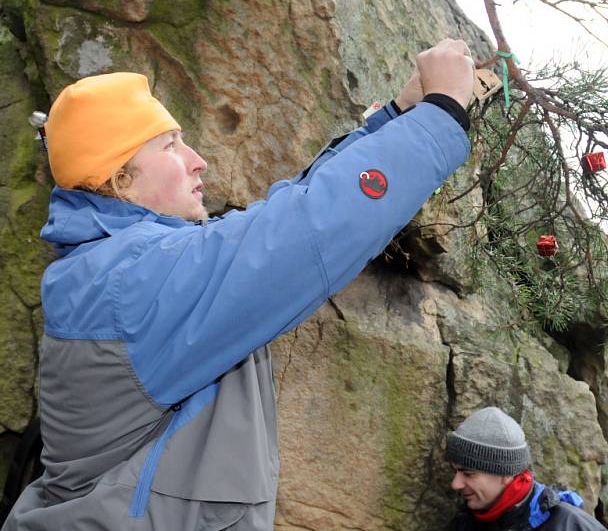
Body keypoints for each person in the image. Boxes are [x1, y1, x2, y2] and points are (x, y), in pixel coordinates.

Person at [2, 38, 474, 530]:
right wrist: (438, 116)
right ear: (119, 177)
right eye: (170, 145)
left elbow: (283, 215)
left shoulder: (115, 270)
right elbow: (303, 231)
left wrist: (398, 116)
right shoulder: (130, 281)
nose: (197, 159)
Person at [445, 407, 607, 531]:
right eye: (455, 471)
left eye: (468, 474)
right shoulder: (465, 523)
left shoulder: (570, 525)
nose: (455, 484)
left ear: (505, 473)